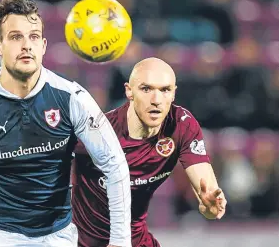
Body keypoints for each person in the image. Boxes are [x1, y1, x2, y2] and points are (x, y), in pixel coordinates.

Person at [0, 0, 131, 247]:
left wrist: (120, 241)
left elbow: (114, 164)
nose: (27, 45)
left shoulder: (72, 99)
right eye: (16, 37)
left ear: (44, 45)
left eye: (34, 37)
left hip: (57, 236)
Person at [72, 57, 227, 247]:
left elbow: (208, 197)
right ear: (129, 91)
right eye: (146, 89)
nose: (156, 100)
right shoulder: (97, 133)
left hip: (136, 241)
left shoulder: (181, 125)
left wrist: (209, 208)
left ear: (174, 94)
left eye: (165, 90)